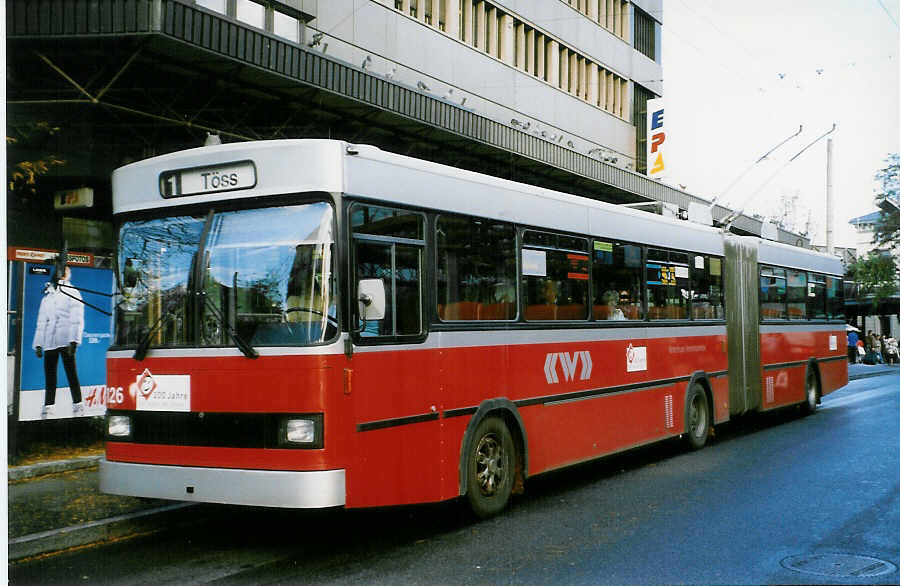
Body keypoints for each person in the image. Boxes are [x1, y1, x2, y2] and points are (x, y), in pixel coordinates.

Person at [32, 265, 84, 418]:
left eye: (67, 271)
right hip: (50, 341)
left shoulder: (72, 292)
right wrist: (39, 344)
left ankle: (78, 405)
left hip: (65, 338)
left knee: (71, 373)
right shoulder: (47, 297)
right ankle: (48, 406)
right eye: (63, 271)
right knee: (50, 374)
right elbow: (42, 323)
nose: (65, 273)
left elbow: (77, 318)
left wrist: (74, 340)